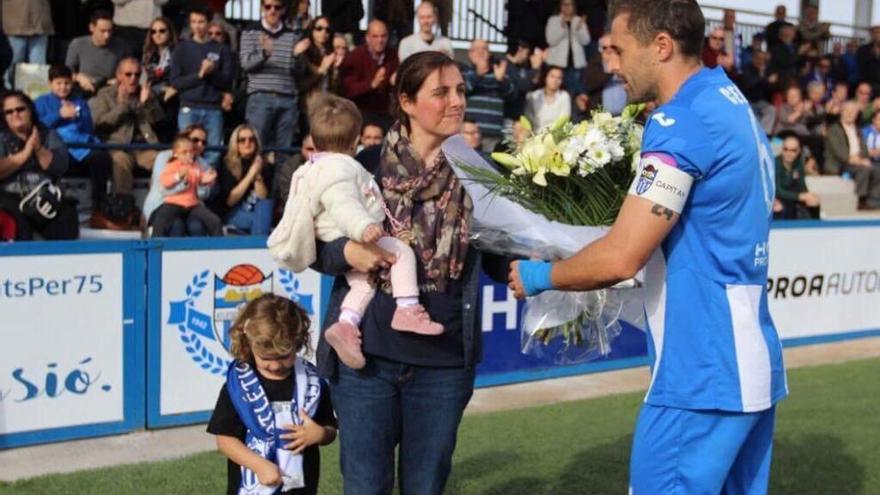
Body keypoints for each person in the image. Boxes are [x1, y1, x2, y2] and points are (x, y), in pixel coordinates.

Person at [509, 1, 788, 493]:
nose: (611, 64)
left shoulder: (683, 121)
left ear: (661, 46)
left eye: (618, 49)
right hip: (747, 365)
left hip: (701, 372)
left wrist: (539, 276)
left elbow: (622, 256)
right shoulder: (730, 101)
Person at [306, 51, 507, 495]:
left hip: (444, 364)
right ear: (407, 102)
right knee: (364, 486)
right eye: (441, 93)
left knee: (425, 486)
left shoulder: (480, 171)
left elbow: (499, 255)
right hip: (367, 361)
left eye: (460, 91)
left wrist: (550, 269)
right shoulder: (366, 163)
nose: (456, 102)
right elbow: (315, 246)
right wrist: (347, 253)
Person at [270, 93, 445, 370]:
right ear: (355, 141)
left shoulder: (316, 166)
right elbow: (343, 204)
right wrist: (363, 228)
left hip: (345, 234)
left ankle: (347, 324)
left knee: (364, 284)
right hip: (349, 233)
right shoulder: (340, 167)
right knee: (401, 253)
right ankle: (408, 307)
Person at [207, 293, 337, 495]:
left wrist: (320, 434)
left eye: (284, 356)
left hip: (301, 486)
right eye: (266, 358)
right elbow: (225, 440)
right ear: (248, 344)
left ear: (299, 342)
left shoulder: (312, 382)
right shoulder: (239, 386)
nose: (276, 365)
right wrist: (258, 465)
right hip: (251, 485)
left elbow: (330, 429)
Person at [35, 65, 112, 218]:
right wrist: (59, 115)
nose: (63, 87)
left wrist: (77, 116)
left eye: (67, 83)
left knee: (100, 157)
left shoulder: (80, 102)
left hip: (79, 147)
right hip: (54, 148)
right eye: (59, 83)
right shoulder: (41, 102)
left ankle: (99, 206)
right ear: (50, 84)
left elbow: (88, 128)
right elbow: (38, 126)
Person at [0, 91, 78, 240]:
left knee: (67, 212)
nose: (15, 114)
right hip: (10, 198)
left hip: (44, 196)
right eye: (9, 112)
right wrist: (24, 154)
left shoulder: (48, 135)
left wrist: (38, 149)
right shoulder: (1, 137)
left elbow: (59, 166)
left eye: (20, 109)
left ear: (30, 110)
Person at [240, 0, 310, 155]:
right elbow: (245, 64)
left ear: (283, 10)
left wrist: (297, 56)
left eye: (277, 7)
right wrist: (264, 54)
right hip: (260, 97)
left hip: (288, 99)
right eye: (268, 6)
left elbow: (298, 71)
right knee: (255, 148)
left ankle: (280, 180)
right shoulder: (250, 31)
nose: (272, 10)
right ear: (261, 8)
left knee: (284, 151)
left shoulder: (292, 35)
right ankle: (257, 179)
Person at [170, 5, 235, 166]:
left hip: (213, 108)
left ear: (209, 22)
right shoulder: (181, 49)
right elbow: (176, 82)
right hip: (188, 107)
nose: (197, 26)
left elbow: (227, 82)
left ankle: (207, 189)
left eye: (201, 21)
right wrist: (199, 75)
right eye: (194, 22)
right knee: (185, 151)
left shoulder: (221, 49)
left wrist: (212, 72)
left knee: (213, 153)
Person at [89, 57, 163, 200]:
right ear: (119, 75)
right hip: (118, 146)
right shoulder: (106, 94)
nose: (133, 79)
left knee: (163, 160)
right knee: (121, 160)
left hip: (144, 147)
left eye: (137, 74)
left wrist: (146, 103)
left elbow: (158, 121)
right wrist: (122, 106)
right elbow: (101, 123)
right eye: (128, 74)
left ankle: (159, 204)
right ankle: (123, 206)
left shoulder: (146, 92)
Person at [143, 124, 214, 236]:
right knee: (177, 225)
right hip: (162, 204)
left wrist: (202, 182)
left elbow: (204, 194)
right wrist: (185, 182)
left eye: (203, 142)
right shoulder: (164, 157)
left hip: (190, 206)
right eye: (195, 140)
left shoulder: (203, 164)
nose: (199, 145)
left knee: (197, 226)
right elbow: (163, 189)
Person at [340, 20, 399, 130]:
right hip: (361, 111)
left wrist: (395, 82)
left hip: (385, 111)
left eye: (383, 36)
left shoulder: (392, 55)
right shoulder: (355, 56)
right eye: (375, 36)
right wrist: (372, 84)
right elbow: (348, 89)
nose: (380, 40)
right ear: (367, 38)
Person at [217, 124, 274, 235]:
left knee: (265, 206)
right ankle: (259, 248)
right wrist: (251, 173)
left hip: (258, 210)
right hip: (233, 212)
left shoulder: (264, 164)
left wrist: (257, 175)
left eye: (251, 139)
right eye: (242, 140)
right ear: (235, 144)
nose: (247, 143)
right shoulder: (227, 164)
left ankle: (256, 246)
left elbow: (263, 197)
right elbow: (230, 201)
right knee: (260, 219)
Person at [461, 39, 514, 151]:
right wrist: (478, 73)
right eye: (476, 49)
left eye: (484, 49)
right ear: (470, 54)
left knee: (489, 166)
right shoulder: (465, 72)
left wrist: (500, 80)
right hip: (470, 133)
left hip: (493, 133)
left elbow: (511, 93)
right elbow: (463, 89)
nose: (481, 52)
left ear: (489, 53)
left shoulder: (499, 71)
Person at [825, 101, 880, 209]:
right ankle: (861, 199)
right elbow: (839, 153)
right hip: (840, 164)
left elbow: (864, 150)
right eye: (847, 111)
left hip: (857, 161)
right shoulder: (833, 130)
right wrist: (857, 160)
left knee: (877, 169)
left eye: (853, 112)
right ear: (842, 112)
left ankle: (873, 201)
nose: (850, 114)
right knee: (864, 169)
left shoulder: (858, 130)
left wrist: (862, 158)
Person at [65, 10, 130, 96]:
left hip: (110, 89)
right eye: (102, 31)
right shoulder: (78, 44)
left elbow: (130, 71)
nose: (107, 36)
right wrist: (78, 77)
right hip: (84, 88)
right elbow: (65, 72)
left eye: (109, 31)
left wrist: (119, 80)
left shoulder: (121, 46)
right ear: (92, 28)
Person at [295, 15, 344, 122]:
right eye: (319, 28)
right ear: (312, 30)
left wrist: (336, 70)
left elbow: (336, 87)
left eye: (327, 30)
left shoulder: (331, 53)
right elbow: (302, 85)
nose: (323, 32)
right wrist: (322, 70)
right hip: (309, 105)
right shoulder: (305, 53)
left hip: (328, 104)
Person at [2, 0, 53, 89]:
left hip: (39, 25)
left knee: (39, 68)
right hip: (14, 26)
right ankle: (8, 96)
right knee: (12, 67)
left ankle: (37, 99)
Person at [545, 0, 591, 96]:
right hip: (557, 64)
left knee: (574, 93)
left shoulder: (579, 20)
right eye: (564, 4)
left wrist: (579, 28)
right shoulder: (553, 20)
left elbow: (586, 41)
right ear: (560, 6)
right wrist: (562, 27)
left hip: (575, 65)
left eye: (570, 4)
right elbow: (550, 40)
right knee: (557, 94)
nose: (567, 7)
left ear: (574, 6)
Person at [774, 133, 820, 219]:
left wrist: (808, 196)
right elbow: (778, 190)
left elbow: (801, 185)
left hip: (792, 197)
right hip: (778, 198)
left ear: (798, 151)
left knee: (813, 203)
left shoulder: (798, 163)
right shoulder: (776, 164)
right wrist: (800, 196)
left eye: (793, 150)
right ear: (782, 150)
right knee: (782, 207)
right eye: (786, 149)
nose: (788, 153)